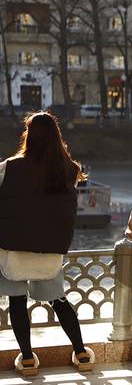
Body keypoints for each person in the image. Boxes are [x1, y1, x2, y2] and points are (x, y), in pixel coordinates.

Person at [0, 112, 94, 376]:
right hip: (50, 250)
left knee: (17, 302)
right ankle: (81, 352)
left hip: (14, 248)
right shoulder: (69, 170)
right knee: (60, 300)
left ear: (28, 135)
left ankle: (28, 359)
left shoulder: (9, 167)